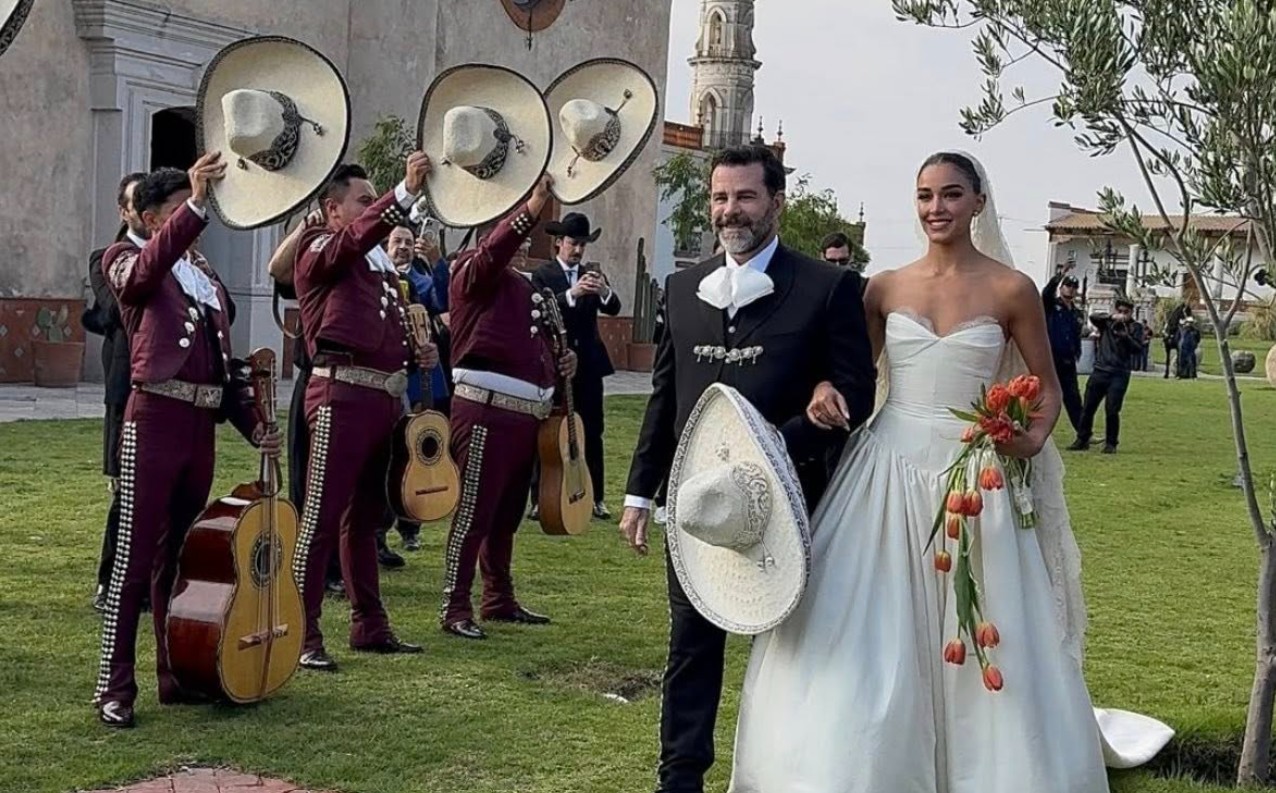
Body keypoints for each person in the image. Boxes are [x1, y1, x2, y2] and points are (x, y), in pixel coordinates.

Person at [727, 151, 1172, 792]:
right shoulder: (884, 287)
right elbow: (854, 372)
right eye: (925, 195)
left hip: (975, 475)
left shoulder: (1010, 289)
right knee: (869, 622)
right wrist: (826, 385)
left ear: (978, 202)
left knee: (988, 621)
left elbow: (1046, 387)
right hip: (885, 468)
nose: (937, 208)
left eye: (951, 195)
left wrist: (1028, 439)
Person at [620, 144, 877, 793]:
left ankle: (804, 773)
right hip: (700, 503)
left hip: (798, 503)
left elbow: (857, 390)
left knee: (804, 651)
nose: (730, 210)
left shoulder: (830, 286)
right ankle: (679, 778)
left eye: (745, 196)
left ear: (776, 202)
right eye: (720, 197)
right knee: (691, 648)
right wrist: (638, 492)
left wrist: (808, 419)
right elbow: (665, 397)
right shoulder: (681, 288)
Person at [92, 157, 281, 728]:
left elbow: (219, 364)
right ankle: (114, 684)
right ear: (151, 219)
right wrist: (196, 207)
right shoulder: (123, 258)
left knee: (179, 559)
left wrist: (252, 424)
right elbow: (145, 275)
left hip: (198, 425)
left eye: (192, 210)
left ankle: (173, 673)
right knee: (133, 558)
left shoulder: (199, 271)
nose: (192, 221)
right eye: (176, 212)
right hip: (152, 417)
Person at [291, 157, 438, 672]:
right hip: (340, 395)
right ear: (332, 210)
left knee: (366, 519)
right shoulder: (318, 249)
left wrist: (416, 353)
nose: (373, 205)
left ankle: (368, 625)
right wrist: (400, 193)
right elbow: (350, 243)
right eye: (363, 198)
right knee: (322, 519)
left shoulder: (376, 265)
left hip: (379, 400)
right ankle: (303, 631)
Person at [437, 175, 577, 641]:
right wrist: (530, 209)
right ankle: (455, 604)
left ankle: (497, 596)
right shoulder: (470, 271)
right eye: (506, 229)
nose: (516, 241)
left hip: (526, 415)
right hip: (485, 409)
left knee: (507, 513)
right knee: (475, 509)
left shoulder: (527, 287)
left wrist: (561, 365)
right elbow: (495, 252)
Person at [266, 209, 345, 595]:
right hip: (318, 377)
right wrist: (305, 225)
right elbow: (278, 270)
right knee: (309, 481)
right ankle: (310, 565)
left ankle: (341, 564)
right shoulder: (316, 252)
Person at [529, 212, 621, 521]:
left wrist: (603, 289)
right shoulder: (544, 274)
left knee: (592, 429)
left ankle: (596, 498)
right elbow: (539, 308)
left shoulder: (592, 274)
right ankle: (541, 497)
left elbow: (614, 306)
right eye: (573, 243)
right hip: (554, 362)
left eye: (582, 244)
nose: (578, 250)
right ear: (559, 243)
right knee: (548, 428)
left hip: (590, 365)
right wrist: (572, 294)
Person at [83, 171, 146, 612]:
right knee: (127, 491)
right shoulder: (105, 257)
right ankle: (112, 581)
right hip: (127, 388)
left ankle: (152, 582)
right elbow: (116, 309)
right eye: (138, 202)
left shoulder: (188, 260)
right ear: (124, 211)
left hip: (177, 394)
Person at [1068, 296, 1144, 454]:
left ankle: (1111, 443)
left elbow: (1138, 348)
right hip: (1101, 370)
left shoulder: (1135, 327)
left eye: (1126, 312)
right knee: (1088, 406)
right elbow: (1093, 317)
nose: (1123, 314)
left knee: (1112, 409)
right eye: (1120, 311)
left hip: (1119, 372)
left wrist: (1126, 337)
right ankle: (1082, 438)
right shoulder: (1107, 323)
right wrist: (1111, 317)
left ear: (1131, 313)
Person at [1042, 267, 1085, 433]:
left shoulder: (1076, 312)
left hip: (1068, 360)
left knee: (1073, 397)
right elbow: (1046, 294)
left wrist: (1077, 352)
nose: (1071, 289)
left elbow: (1076, 335)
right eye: (1067, 285)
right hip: (1051, 358)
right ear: (1061, 288)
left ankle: (1083, 434)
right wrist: (1059, 275)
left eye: (1074, 287)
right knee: (1043, 395)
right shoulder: (1052, 306)